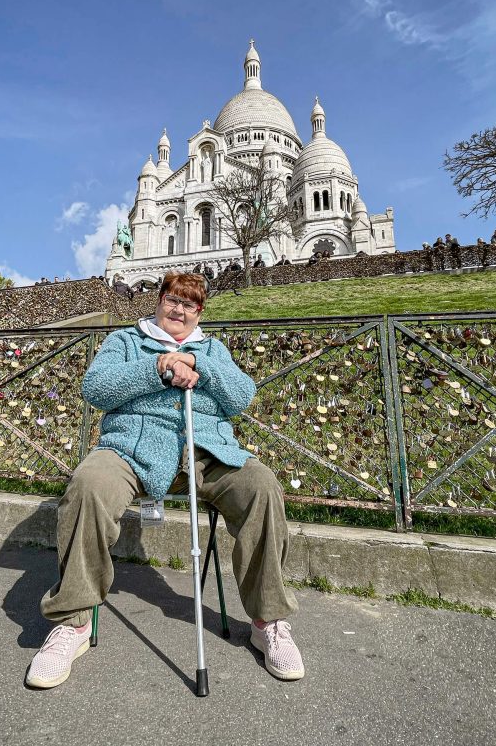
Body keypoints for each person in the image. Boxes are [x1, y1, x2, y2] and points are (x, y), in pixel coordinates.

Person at [26, 272, 303, 689]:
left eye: (189, 304)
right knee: (88, 487)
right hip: (131, 450)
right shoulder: (125, 340)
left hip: (208, 453)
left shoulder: (212, 348)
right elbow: (97, 388)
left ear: (199, 313)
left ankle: (268, 622)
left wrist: (197, 365)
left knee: (261, 486)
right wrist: (158, 366)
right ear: (158, 301)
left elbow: (241, 396)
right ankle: (73, 622)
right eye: (173, 300)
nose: (179, 309)